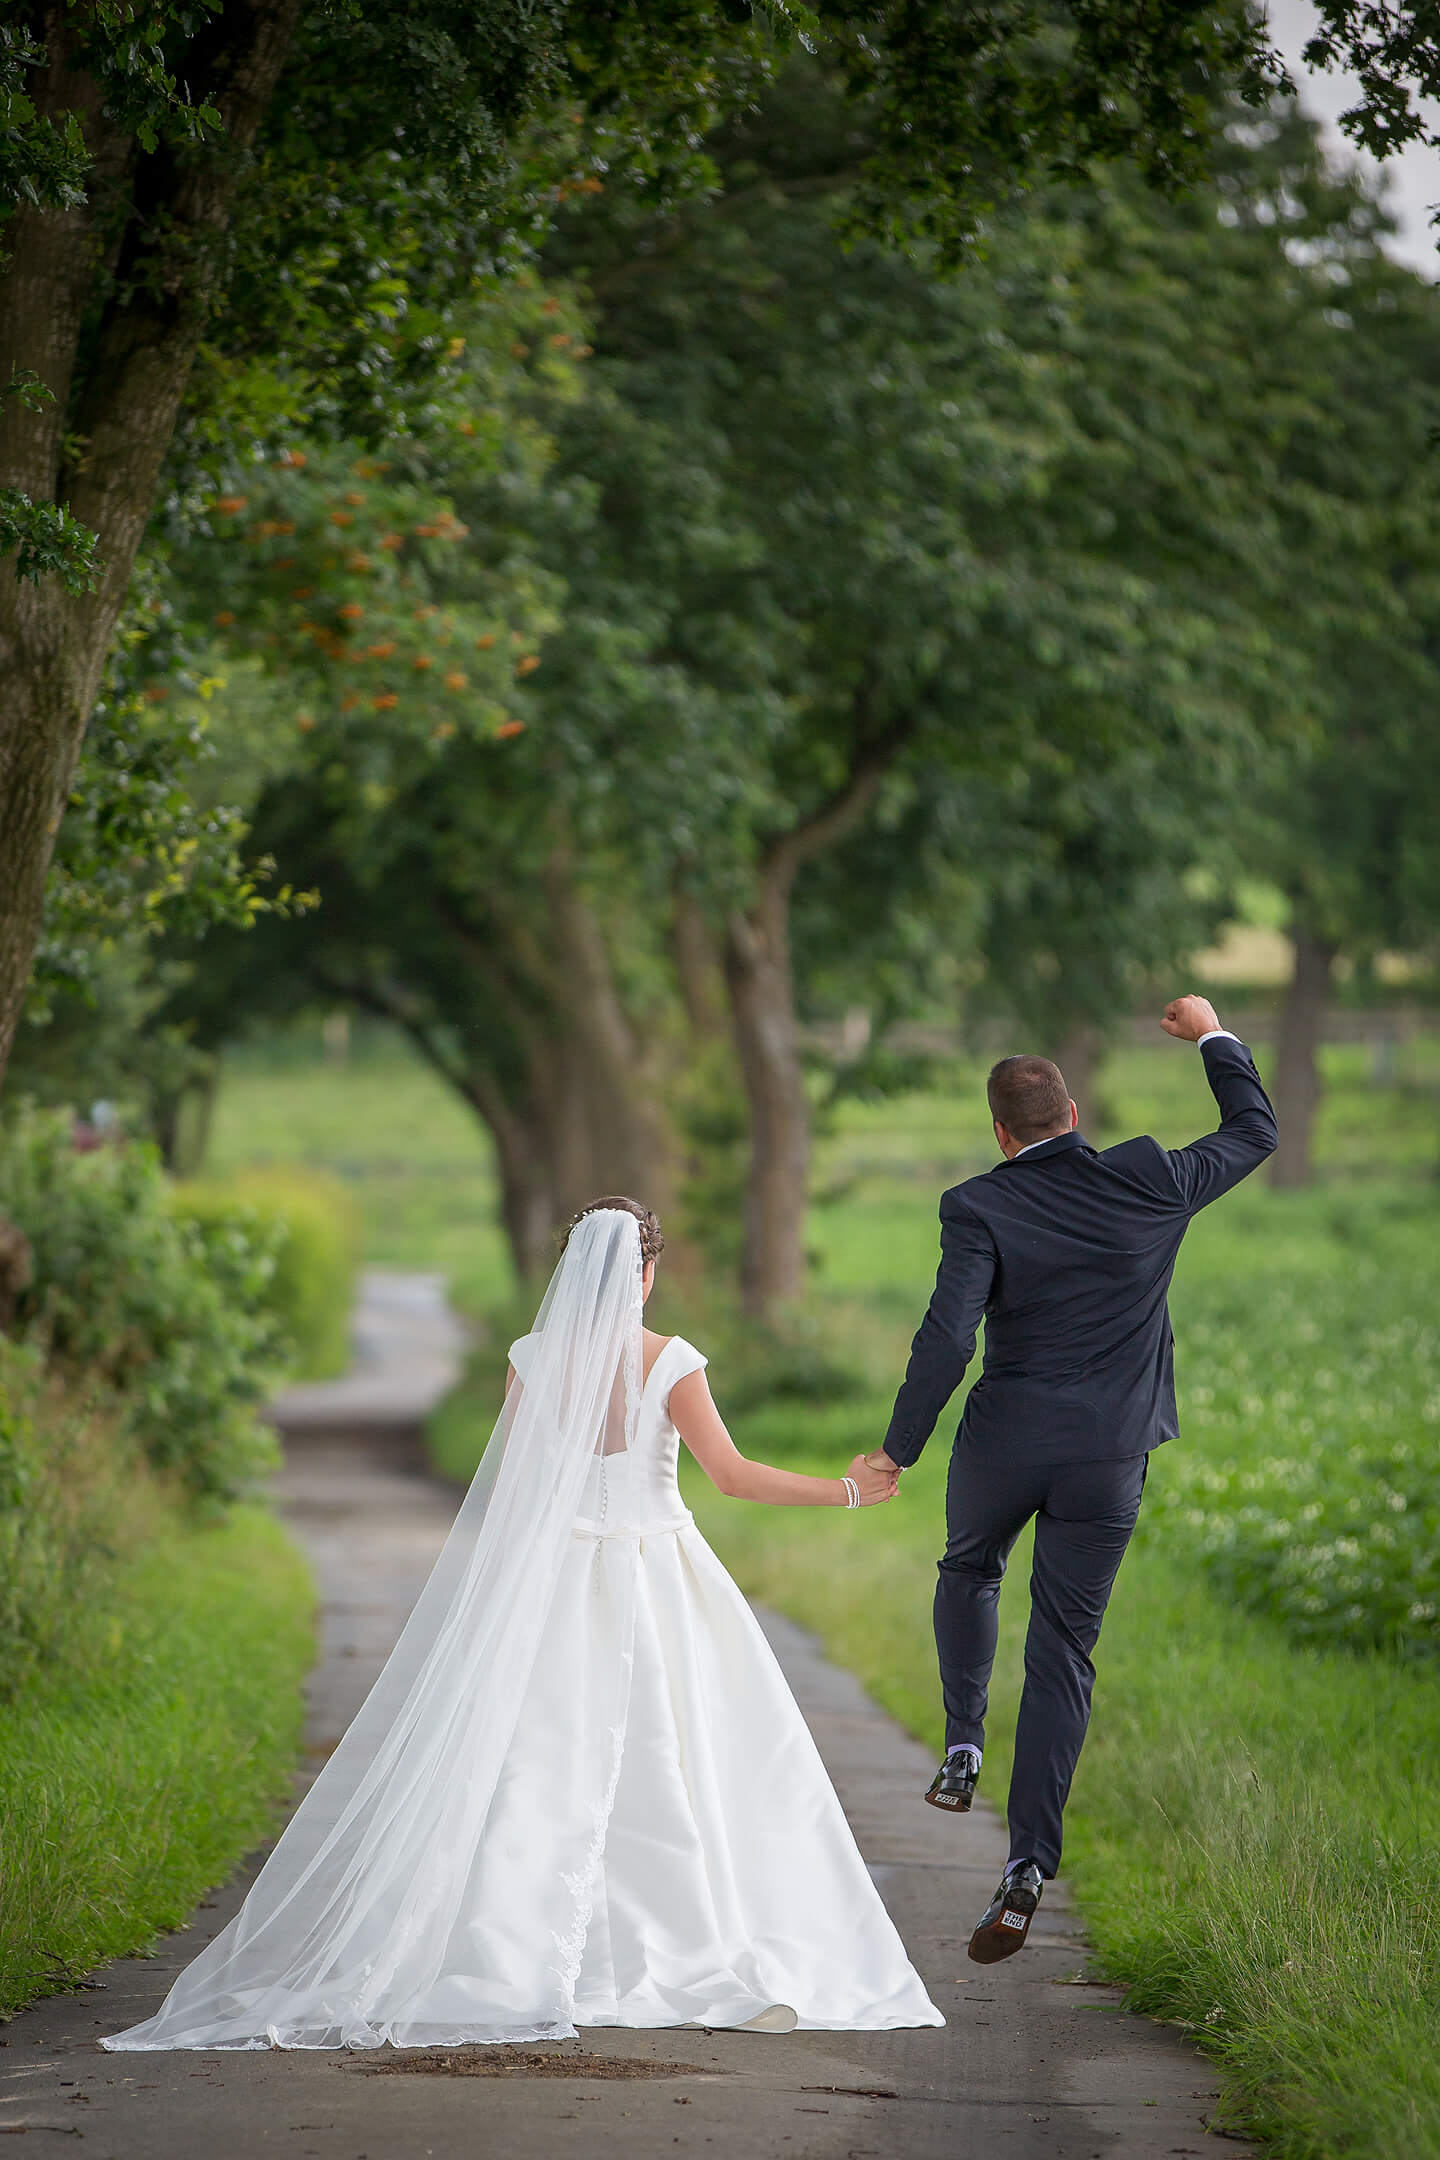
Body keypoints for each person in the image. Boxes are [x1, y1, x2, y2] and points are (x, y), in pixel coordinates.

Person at [103, 1198, 942, 2051]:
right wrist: (846, 1490)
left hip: (555, 1576)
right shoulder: (671, 1361)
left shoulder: (532, 1360)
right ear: (646, 1275)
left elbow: (516, 1488)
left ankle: (510, 1944)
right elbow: (730, 1477)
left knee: (538, 1759)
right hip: (658, 1572)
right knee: (683, 1751)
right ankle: (687, 1939)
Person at [869, 996, 1278, 1964]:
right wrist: (1212, 1033)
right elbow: (1254, 1130)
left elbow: (946, 1337)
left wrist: (899, 1447)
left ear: (1001, 1132)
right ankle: (1027, 1866)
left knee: (968, 1569)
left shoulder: (979, 1203)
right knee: (1063, 1652)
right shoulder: (1151, 1180)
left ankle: (963, 1744)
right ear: (1076, 1115)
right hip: (1108, 1456)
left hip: (1005, 1442)